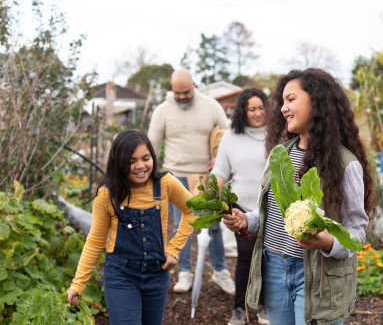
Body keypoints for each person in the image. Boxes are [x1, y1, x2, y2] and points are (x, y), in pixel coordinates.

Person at [223, 68, 376, 325]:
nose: (283, 108)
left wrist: (328, 242)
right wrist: (245, 220)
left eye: (291, 99)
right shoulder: (278, 155)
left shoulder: (346, 164)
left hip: (316, 277)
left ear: (316, 101)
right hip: (273, 269)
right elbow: (271, 216)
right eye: (282, 102)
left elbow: (357, 233)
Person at [66, 129, 197, 324]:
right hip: (121, 275)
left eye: (146, 158)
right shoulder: (107, 193)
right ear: (119, 162)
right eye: (131, 161)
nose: (140, 166)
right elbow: (95, 241)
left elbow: (192, 210)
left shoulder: (165, 183)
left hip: (156, 273)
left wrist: (174, 249)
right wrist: (78, 284)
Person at [148, 69, 235, 295]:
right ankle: (184, 271)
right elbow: (151, 147)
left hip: (209, 176)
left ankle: (220, 271)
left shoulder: (212, 106)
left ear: (194, 85)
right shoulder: (162, 111)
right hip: (176, 176)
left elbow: (227, 137)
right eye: (177, 93)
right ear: (172, 90)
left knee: (214, 226)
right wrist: (149, 177)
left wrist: (220, 158)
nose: (182, 97)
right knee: (182, 227)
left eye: (186, 92)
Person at [211, 88, 269, 325]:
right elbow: (220, 171)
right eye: (252, 109)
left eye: (261, 108)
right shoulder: (231, 137)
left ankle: (264, 306)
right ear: (243, 111)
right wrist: (209, 193)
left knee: (268, 258)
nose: (257, 113)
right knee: (246, 257)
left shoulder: (278, 134)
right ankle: (240, 309)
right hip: (240, 208)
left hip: (271, 207)